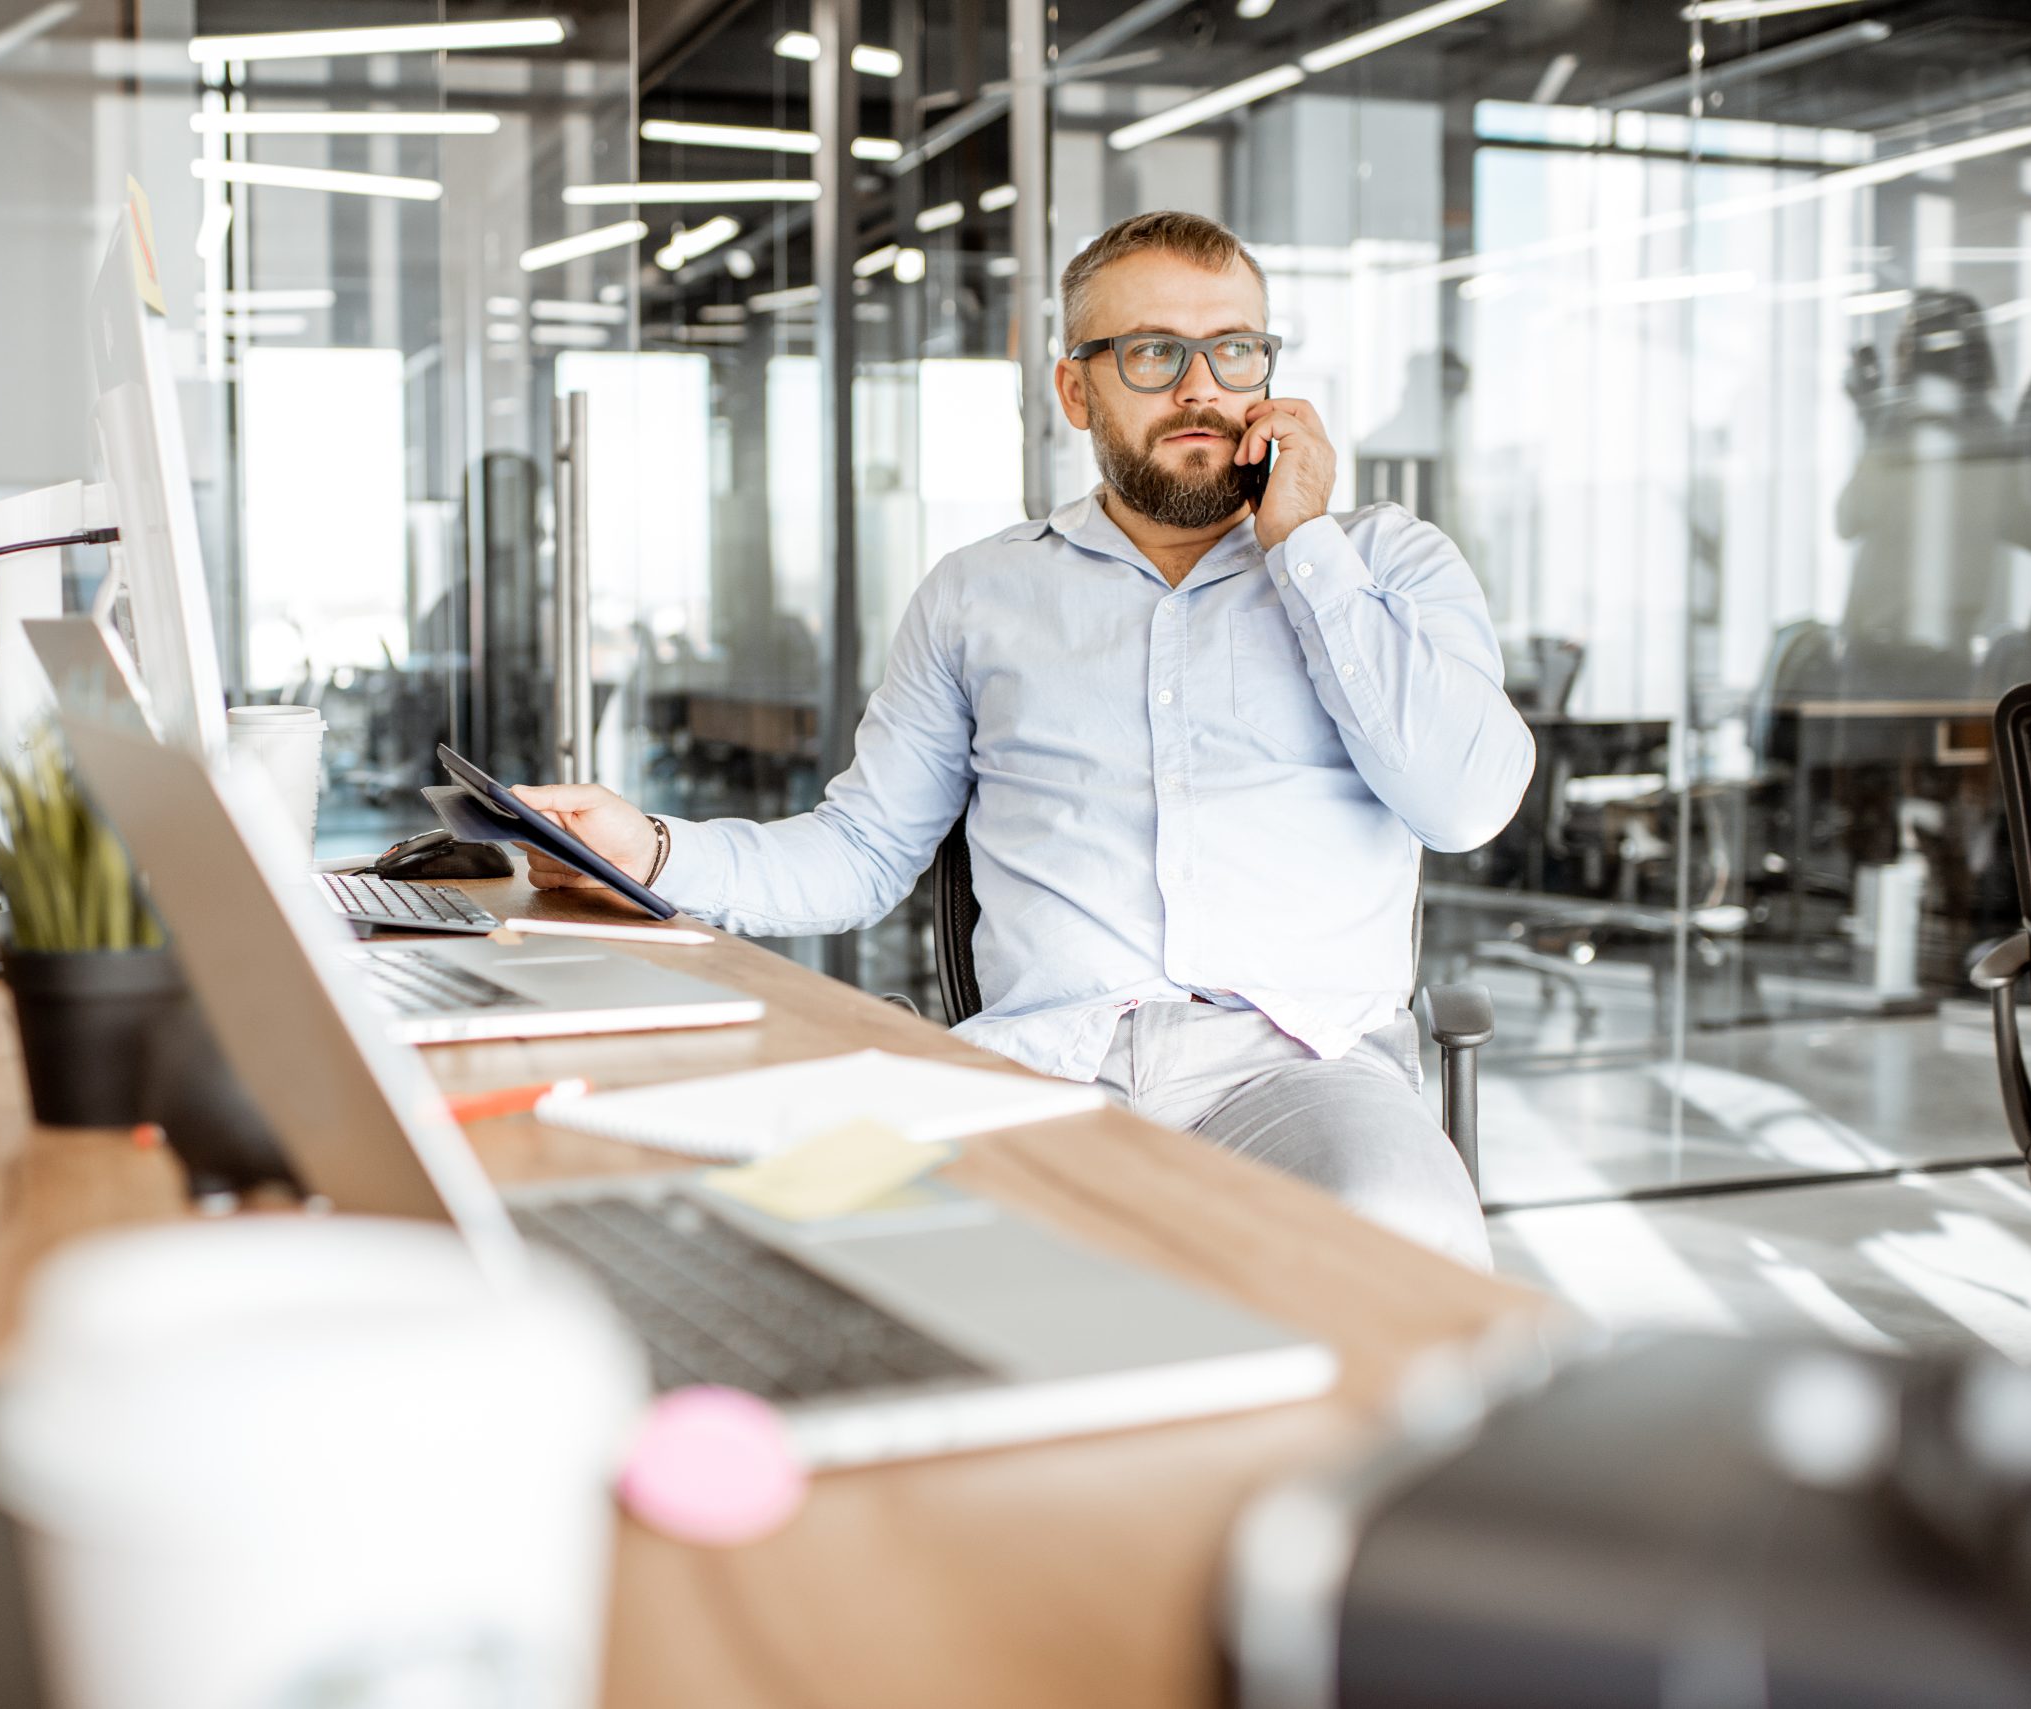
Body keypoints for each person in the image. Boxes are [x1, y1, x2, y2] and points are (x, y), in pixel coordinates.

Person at [513, 211, 1533, 1268]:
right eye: (1152, 352)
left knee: (1406, 1234)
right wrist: (652, 852)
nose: (1200, 387)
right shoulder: (979, 593)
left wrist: (1305, 548)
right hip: (1041, 1067)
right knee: (778, 1231)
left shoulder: (1384, 564)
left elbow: (1463, 802)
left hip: (1303, 1074)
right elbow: (862, 852)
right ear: (1075, 389)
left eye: (1233, 349)